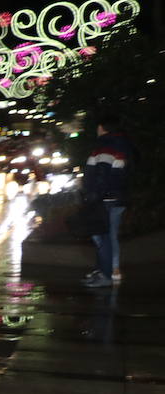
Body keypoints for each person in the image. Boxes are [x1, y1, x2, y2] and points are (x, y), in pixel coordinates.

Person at [81, 114, 133, 288]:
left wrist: (95, 195)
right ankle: (109, 270)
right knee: (108, 235)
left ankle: (106, 273)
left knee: (102, 237)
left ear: (103, 128)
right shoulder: (123, 143)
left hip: (107, 198)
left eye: (98, 127)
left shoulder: (106, 146)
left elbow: (103, 174)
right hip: (117, 197)